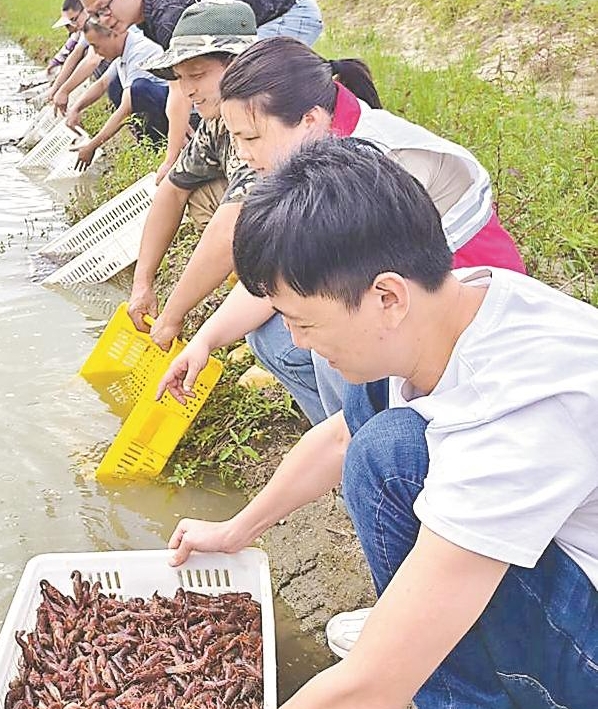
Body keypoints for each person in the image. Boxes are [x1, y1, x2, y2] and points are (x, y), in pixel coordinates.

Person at [141, 138, 595, 709]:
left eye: (302, 322)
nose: (293, 342)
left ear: (386, 297)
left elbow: (364, 702)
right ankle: (443, 661)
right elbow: (340, 443)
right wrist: (237, 531)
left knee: (394, 472)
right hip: (571, 561)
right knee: (382, 445)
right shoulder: (450, 306)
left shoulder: (514, 408)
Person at [160, 37, 525, 424]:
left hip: (473, 322)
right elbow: (284, 269)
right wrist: (205, 341)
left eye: (252, 138)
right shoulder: (328, 148)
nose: (245, 156)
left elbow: (301, 270)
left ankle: (365, 439)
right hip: (405, 296)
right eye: (236, 140)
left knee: (326, 338)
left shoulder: (365, 169)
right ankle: (348, 435)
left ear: (310, 120)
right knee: (278, 336)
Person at [74, 0, 324, 151]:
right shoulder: (151, 3)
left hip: (290, 10)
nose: (103, 20)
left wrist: (172, 159)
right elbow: (179, 85)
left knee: (242, 83)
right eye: (95, 16)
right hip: (263, 13)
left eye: (103, 9)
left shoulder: (168, 10)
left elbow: (181, 93)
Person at [126, 0, 259, 337]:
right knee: (196, 191)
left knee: (269, 342)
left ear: (239, 64)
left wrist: (172, 315)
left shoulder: (267, 121)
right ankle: (248, 277)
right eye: (181, 78)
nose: (187, 91)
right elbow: (172, 189)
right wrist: (143, 282)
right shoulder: (219, 119)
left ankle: (263, 293)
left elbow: (229, 228)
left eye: (197, 75)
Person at [64, 20, 174, 171]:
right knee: (114, 85)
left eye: (96, 45)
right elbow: (102, 84)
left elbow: (125, 110)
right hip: (159, 105)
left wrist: (92, 146)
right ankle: (146, 140)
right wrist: (76, 108)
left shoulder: (140, 51)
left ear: (113, 35)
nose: (96, 52)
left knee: (138, 89)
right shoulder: (122, 54)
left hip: (176, 111)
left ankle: (160, 143)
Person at [45, 0, 88, 82]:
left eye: (73, 21)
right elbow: (67, 50)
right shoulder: (77, 34)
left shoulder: (89, 29)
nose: (69, 27)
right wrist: (54, 62)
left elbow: (77, 55)